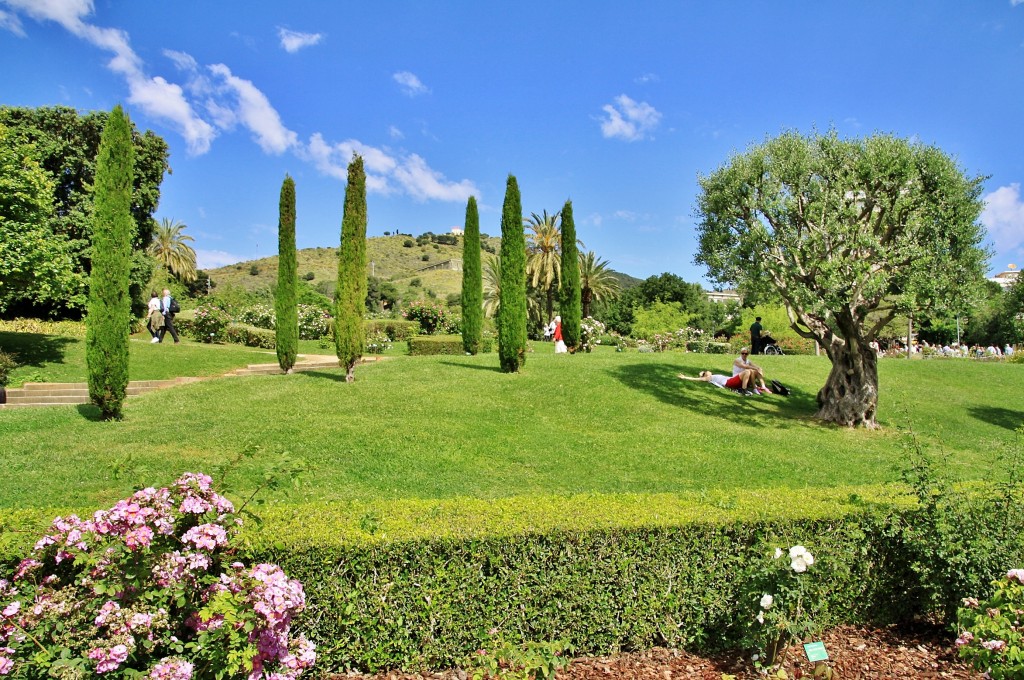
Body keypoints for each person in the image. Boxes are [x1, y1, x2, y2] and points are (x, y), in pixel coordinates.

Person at [678, 369, 760, 395]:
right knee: (747, 371)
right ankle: (743, 390)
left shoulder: (712, 376)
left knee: (753, 371)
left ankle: (754, 388)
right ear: (705, 375)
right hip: (729, 382)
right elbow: (697, 379)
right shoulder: (708, 378)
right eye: (704, 373)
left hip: (732, 380)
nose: (707, 371)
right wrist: (685, 377)